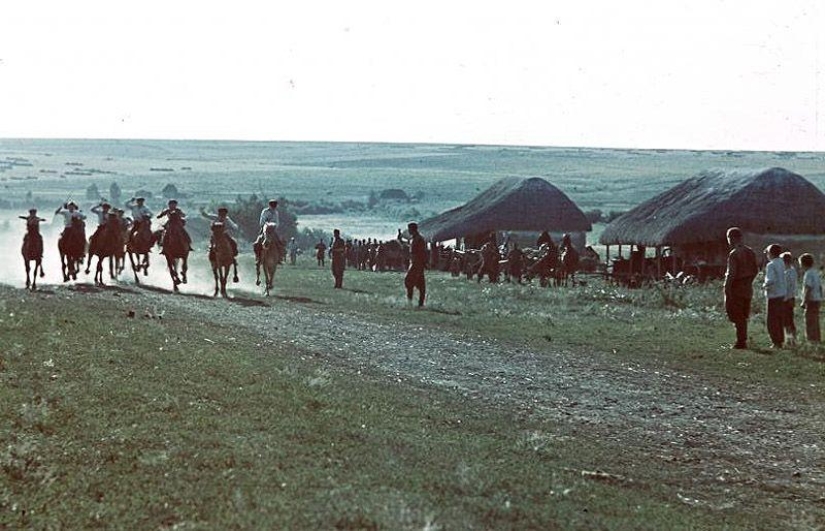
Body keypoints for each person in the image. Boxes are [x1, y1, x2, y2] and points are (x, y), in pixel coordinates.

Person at [723, 227, 758, 349]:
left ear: (731, 238)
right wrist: (749, 281)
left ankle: (741, 341)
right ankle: (742, 338)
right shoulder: (750, 252)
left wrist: (727, 288)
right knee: (743, 314)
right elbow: (755, 270)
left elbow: (731, 273)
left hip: (736, 286)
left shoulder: (734, 254)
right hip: (747, 286)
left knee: (736, 314)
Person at [763, 243, 788, 349]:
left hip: (773, 295)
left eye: (767, 253)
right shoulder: (782, 262)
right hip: (782, 294)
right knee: (779, 318)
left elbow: (770, 280)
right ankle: (780, 340)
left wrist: (764, 285)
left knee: (771, 320)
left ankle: (775, 341)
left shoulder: (771, 265)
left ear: (771, 253)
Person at [799, 253, 822, 343]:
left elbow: (808, 288)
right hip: (817, 299)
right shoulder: (815, 272)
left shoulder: (808, 274)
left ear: (803, 263)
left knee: (809, 320)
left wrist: (804, 301)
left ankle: (811, 339)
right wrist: (821, 297)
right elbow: (820, 287)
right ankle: (817, 338)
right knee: (816, 319)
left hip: (811, 300)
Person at [405, 222, 427, 306]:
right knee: (419, 284)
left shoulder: (419, 239)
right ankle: (417, 302)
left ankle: (413, 301)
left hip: (417, 263)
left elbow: (421, 252)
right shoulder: (414, 239)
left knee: (409, 281)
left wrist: (422, 263)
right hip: (415, 263)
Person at [781, 252, 798, 346]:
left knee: (788, 320)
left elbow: (788, 287)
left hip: (787, 299)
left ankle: (791, 339)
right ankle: (790, 339)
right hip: (789, 298)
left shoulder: (789, 272)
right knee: (788, 320)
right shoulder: (791, 271)